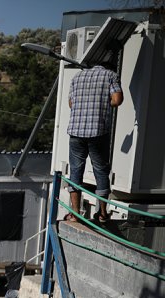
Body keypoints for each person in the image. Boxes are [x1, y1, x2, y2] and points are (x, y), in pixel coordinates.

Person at [67, 61, 123, 224]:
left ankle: (75, 214)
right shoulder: (111, 75)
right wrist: (103, 104)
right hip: (98, 131)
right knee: (100, 170)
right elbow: (117, 100)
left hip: (76, 131)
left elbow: (71, 103)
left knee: (75, 171)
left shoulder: (77, 77)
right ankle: (103, 214)